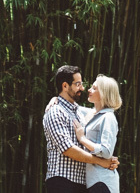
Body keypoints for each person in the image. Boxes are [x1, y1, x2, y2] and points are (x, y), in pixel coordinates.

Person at [43, 65, 119, 193]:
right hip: (62, 180)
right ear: (65, 86)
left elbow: (103, 122)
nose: (83, 88)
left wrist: (108, 159)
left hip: (83, 182)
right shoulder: (56, 111)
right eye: (78, 84)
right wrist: (101, 162)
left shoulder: (79, 112)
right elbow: (68, 149)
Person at [73, 75, 122, 193]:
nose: (89, 90)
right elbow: (71, 107)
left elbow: (106, 151)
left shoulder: (108, 117)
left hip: (102, 182)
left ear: (104, 93)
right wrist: (55, 99)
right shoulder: (94, 114)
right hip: (95, 182)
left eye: (94, 88)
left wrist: (83, 139)